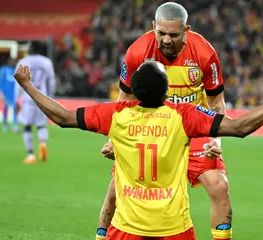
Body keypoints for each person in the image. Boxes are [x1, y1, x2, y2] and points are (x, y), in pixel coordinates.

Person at [13, 61, 263, 240]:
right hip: (174, 228)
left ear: (134, 91)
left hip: (126, 228)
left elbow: (62, 118)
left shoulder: (116, 114)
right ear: (166, 92)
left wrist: (27, 85)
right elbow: (240, 127)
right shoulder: (182, 116)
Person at [98, 2, 230, 239]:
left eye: (173, 34)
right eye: (161, 33)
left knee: (219, 187)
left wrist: (217, 141)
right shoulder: (137, 52)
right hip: (150, 127)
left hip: (192, 130)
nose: (166, 40)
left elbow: (217, 101)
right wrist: (113, 139)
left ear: (186, 30)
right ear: (153, 27)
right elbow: (124, 99)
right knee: (114, 192)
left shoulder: (204, 53)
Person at [15, 41, 56, 164]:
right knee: (41, 125)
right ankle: (43, 143)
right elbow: (52, 80)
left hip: (28, 99)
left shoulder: (24, 61)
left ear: (30, 49)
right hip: (42, 98)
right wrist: (50, 97)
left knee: (27, 126)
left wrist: (17, 98)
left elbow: (17, 81)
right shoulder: (46, 62)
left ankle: (31, 155)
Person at [0, 58, 18, 133]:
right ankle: (5, 125)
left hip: (14, 93)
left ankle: (15, 125)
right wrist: (0, 91)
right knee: (5, 109)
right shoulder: (3, 69)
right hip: (6, 93)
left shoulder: (16, 70)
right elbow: (0, 81)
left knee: (15, 109)